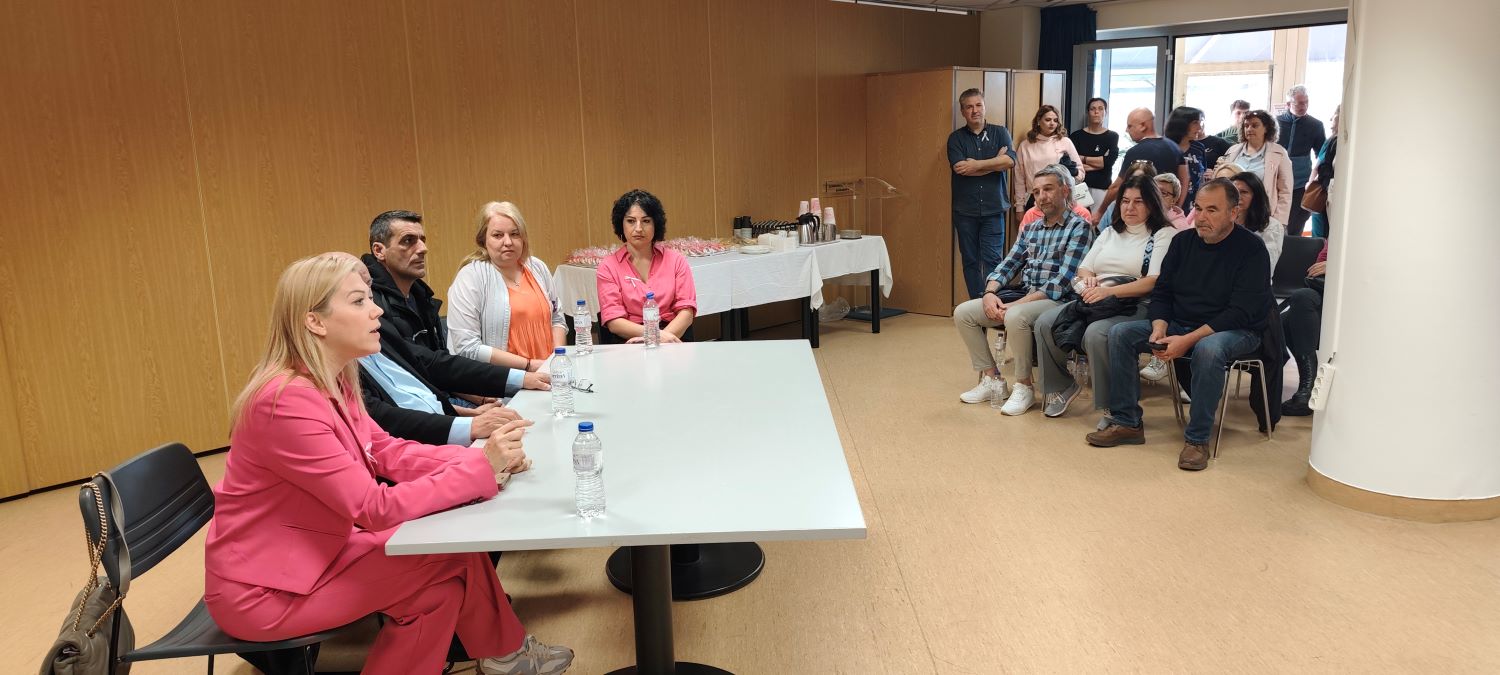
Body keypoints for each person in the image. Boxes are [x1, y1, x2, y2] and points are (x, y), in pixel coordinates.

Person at [204, 254, 574, 675]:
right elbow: (372, 507)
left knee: (441, 584)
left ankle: (506, 656)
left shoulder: (333, 380)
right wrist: (479, 470)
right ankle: (507, 656)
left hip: (318, 554)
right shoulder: (285, 402)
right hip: (266, 590)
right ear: (315, 322)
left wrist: (480, 458)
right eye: (359, 301)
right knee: (447, 565)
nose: (377, 310)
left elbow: (385, 450)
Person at [1086, 179, 1274, 472]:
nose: (1201, 217)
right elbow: (1163, 293)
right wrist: (1159, 327)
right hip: (1182, 322)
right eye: (1198, 208)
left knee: (1209, 349)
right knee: (1121, 333)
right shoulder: (1182, 242)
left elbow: (1240, 311)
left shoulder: (1252, 249)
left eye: (1212, 210)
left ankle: (1197, 440)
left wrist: (1188, 340)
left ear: (1234, 212)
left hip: (1236, 329)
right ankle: (1127, 421)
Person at [361, 211, 549, 441]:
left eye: (422, 240)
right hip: (432, 420)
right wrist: (469, 417)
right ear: (379, 251)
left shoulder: (419, 294)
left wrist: (482, 400)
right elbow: (409, 391)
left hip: (448, 405)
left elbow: (436, 365)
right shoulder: (376, 312)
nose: (422, 248)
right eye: (408, 241)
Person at [1033, 175, 1177, 419]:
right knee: (1045, 322)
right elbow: (1084, 268)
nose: (1130, 207)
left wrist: (1107, 291)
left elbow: (1152, 281)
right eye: (1125, 201)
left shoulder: (1163, 234)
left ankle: (1112, 406)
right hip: (1097, 299)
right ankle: (1063, 386)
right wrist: (1090, 281)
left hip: (1136, 303)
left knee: (1097, 333)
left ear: (1152, 204)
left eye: (1138, 201)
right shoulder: (1110, 231)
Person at [953, 165, 1093, 413]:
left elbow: (1063, 281)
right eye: (1036, 192)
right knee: (964, 313)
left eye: (1048, 189)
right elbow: (1008, 264)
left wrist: (1015, 305)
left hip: (1060, 299)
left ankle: (1024, 386)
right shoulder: (1031, 228)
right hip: (1027, 294)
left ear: (1065, 191)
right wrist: (989, 293)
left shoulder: (1079, 227)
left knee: (1015, 316)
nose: (1041, 197)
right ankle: (993, 379)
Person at [448, 201, 567, 372]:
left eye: (514, 234)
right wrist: (528, 366)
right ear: (483, 240)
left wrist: (557, 359)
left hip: (549, 373)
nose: (508, 242)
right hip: (503, 380)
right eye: (498, 235)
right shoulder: (470, 277)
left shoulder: (537, 267)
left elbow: (557, 319)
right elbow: (467, 346)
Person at [596, 189, 697, 343]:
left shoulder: (676, 261)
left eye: (646, 221)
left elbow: (686, 311)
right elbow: (614, 322)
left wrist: (660, 339)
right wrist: (654, 335)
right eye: (631, 221)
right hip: (630, 339)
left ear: (656, 224)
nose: (638, 228)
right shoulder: (608, 267)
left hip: (673, 337)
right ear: (621, 224)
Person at [948, 88, 1017, 299]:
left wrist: (977, 165)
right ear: (962, 111)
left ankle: (993, 302)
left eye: (978, 105)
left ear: (985, 107)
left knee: (993, 260)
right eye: (969, 107)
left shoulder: (1000, 132)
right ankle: (977, 304)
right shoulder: (956, 138)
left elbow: (1010, 161)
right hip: (965, 211)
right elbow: (961, 169)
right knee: (970, 261)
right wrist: (995, 163)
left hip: (993, 209)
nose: (975, 110)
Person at [1103, 108, 1188, 209]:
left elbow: (1116, 187)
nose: (1126, 130)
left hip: (1144, 210)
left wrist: (1100, 212)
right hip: (1167, 209)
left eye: (1130, 126)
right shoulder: (1175, 148)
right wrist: (1176, 206)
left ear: (1143, 126)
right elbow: (1184, 181)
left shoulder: (1135, 152)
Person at [1221, 110, 1294, 224]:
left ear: (1266, 128)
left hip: (1263, 215)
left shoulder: (1279, 152)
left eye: (1255, 125)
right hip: (1233, 212)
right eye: (1246, 126)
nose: (1249, 129)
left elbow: (1285, 190)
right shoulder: (1232, 150)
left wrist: (1279, 221)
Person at [1281, 241, 1328, 416]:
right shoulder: (1338, 235)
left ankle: (1307, 388)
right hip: (1322, 294)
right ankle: (1308, 387)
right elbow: (1315, 270)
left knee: (1294, 313)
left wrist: (1336, 267)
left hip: (1351, 298)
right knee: (1283, 321)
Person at [1014, 105, 1085, 212]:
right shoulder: (1025, 145)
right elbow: (1019, 178)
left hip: (1060, 198)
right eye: (1048, 120)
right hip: (1034, 198)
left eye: (1055, 120)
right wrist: (1019, 207)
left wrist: (1069, 181)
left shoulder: (1065, 142)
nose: (1052, 123)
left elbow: (1080, 172)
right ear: (1038, 121)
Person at [1277, 85, 1327, 236]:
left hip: (1301, 183)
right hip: (1276, 181)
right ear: (1288, 104)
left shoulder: (1316, 125)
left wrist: (1315, 180)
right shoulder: (1275, 122)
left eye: (1306, 102)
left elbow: (1321, 155)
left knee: (1296, 226)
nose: (1303, 106)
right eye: (1299, 103)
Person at [1231, 171, 1286, 274]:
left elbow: (1266, 266)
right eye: (1234, 192)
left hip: (1253, 280)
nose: (1237, 196)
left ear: (1256, 196)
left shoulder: (1272, 226)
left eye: (1244, 192)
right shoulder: (1223, 221)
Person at [1070, 97, 1120, 211]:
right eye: (1093, 109)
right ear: (1088, 112)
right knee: (1081, 219)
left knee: (1098, 219)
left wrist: (1082, 159)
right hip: (1080, 186)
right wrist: (1100, 163)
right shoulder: (1076, 136)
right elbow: (1072, 164)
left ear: (1105, 112)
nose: (1096, 112)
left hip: (1102, 187)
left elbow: (1109, 162)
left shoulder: (1112, 136)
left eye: (1100, 108)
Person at [1306, 104, 1340, 239]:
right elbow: (1317, 166)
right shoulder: (1331, 141)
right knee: (1320, 232)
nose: (1331, 119)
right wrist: (1310, 183)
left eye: (1334, 116)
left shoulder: (1340, 143)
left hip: (1330, 192)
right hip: (1323, 192)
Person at [1164, 106, 1208, 208]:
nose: (1199, 128)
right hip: (1169, 207)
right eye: (1195, 123)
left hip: (1195, 207)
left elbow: (1202, 177)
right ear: (1182, 124)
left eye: (1200, 122)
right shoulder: (1166, 148)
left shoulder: (1199, 148)